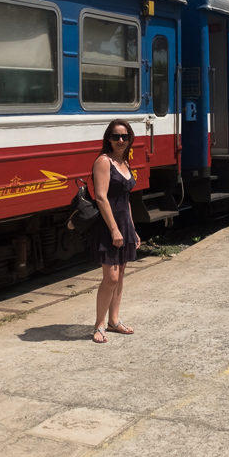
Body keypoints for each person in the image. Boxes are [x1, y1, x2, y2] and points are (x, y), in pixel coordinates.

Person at [90, 119, 140, 343]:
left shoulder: (124, 163)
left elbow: (126, 200)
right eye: (116, 136)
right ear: (108, 139)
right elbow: (101, 197)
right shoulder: (104, 161)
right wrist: (114, 229)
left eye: (125, 136)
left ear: (130, 139)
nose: (121, 140)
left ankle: (114, 320)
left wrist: (132, 229)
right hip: (109, 225)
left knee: (119, 277)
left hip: (124, 225)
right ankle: (99, 324)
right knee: (110, 277)